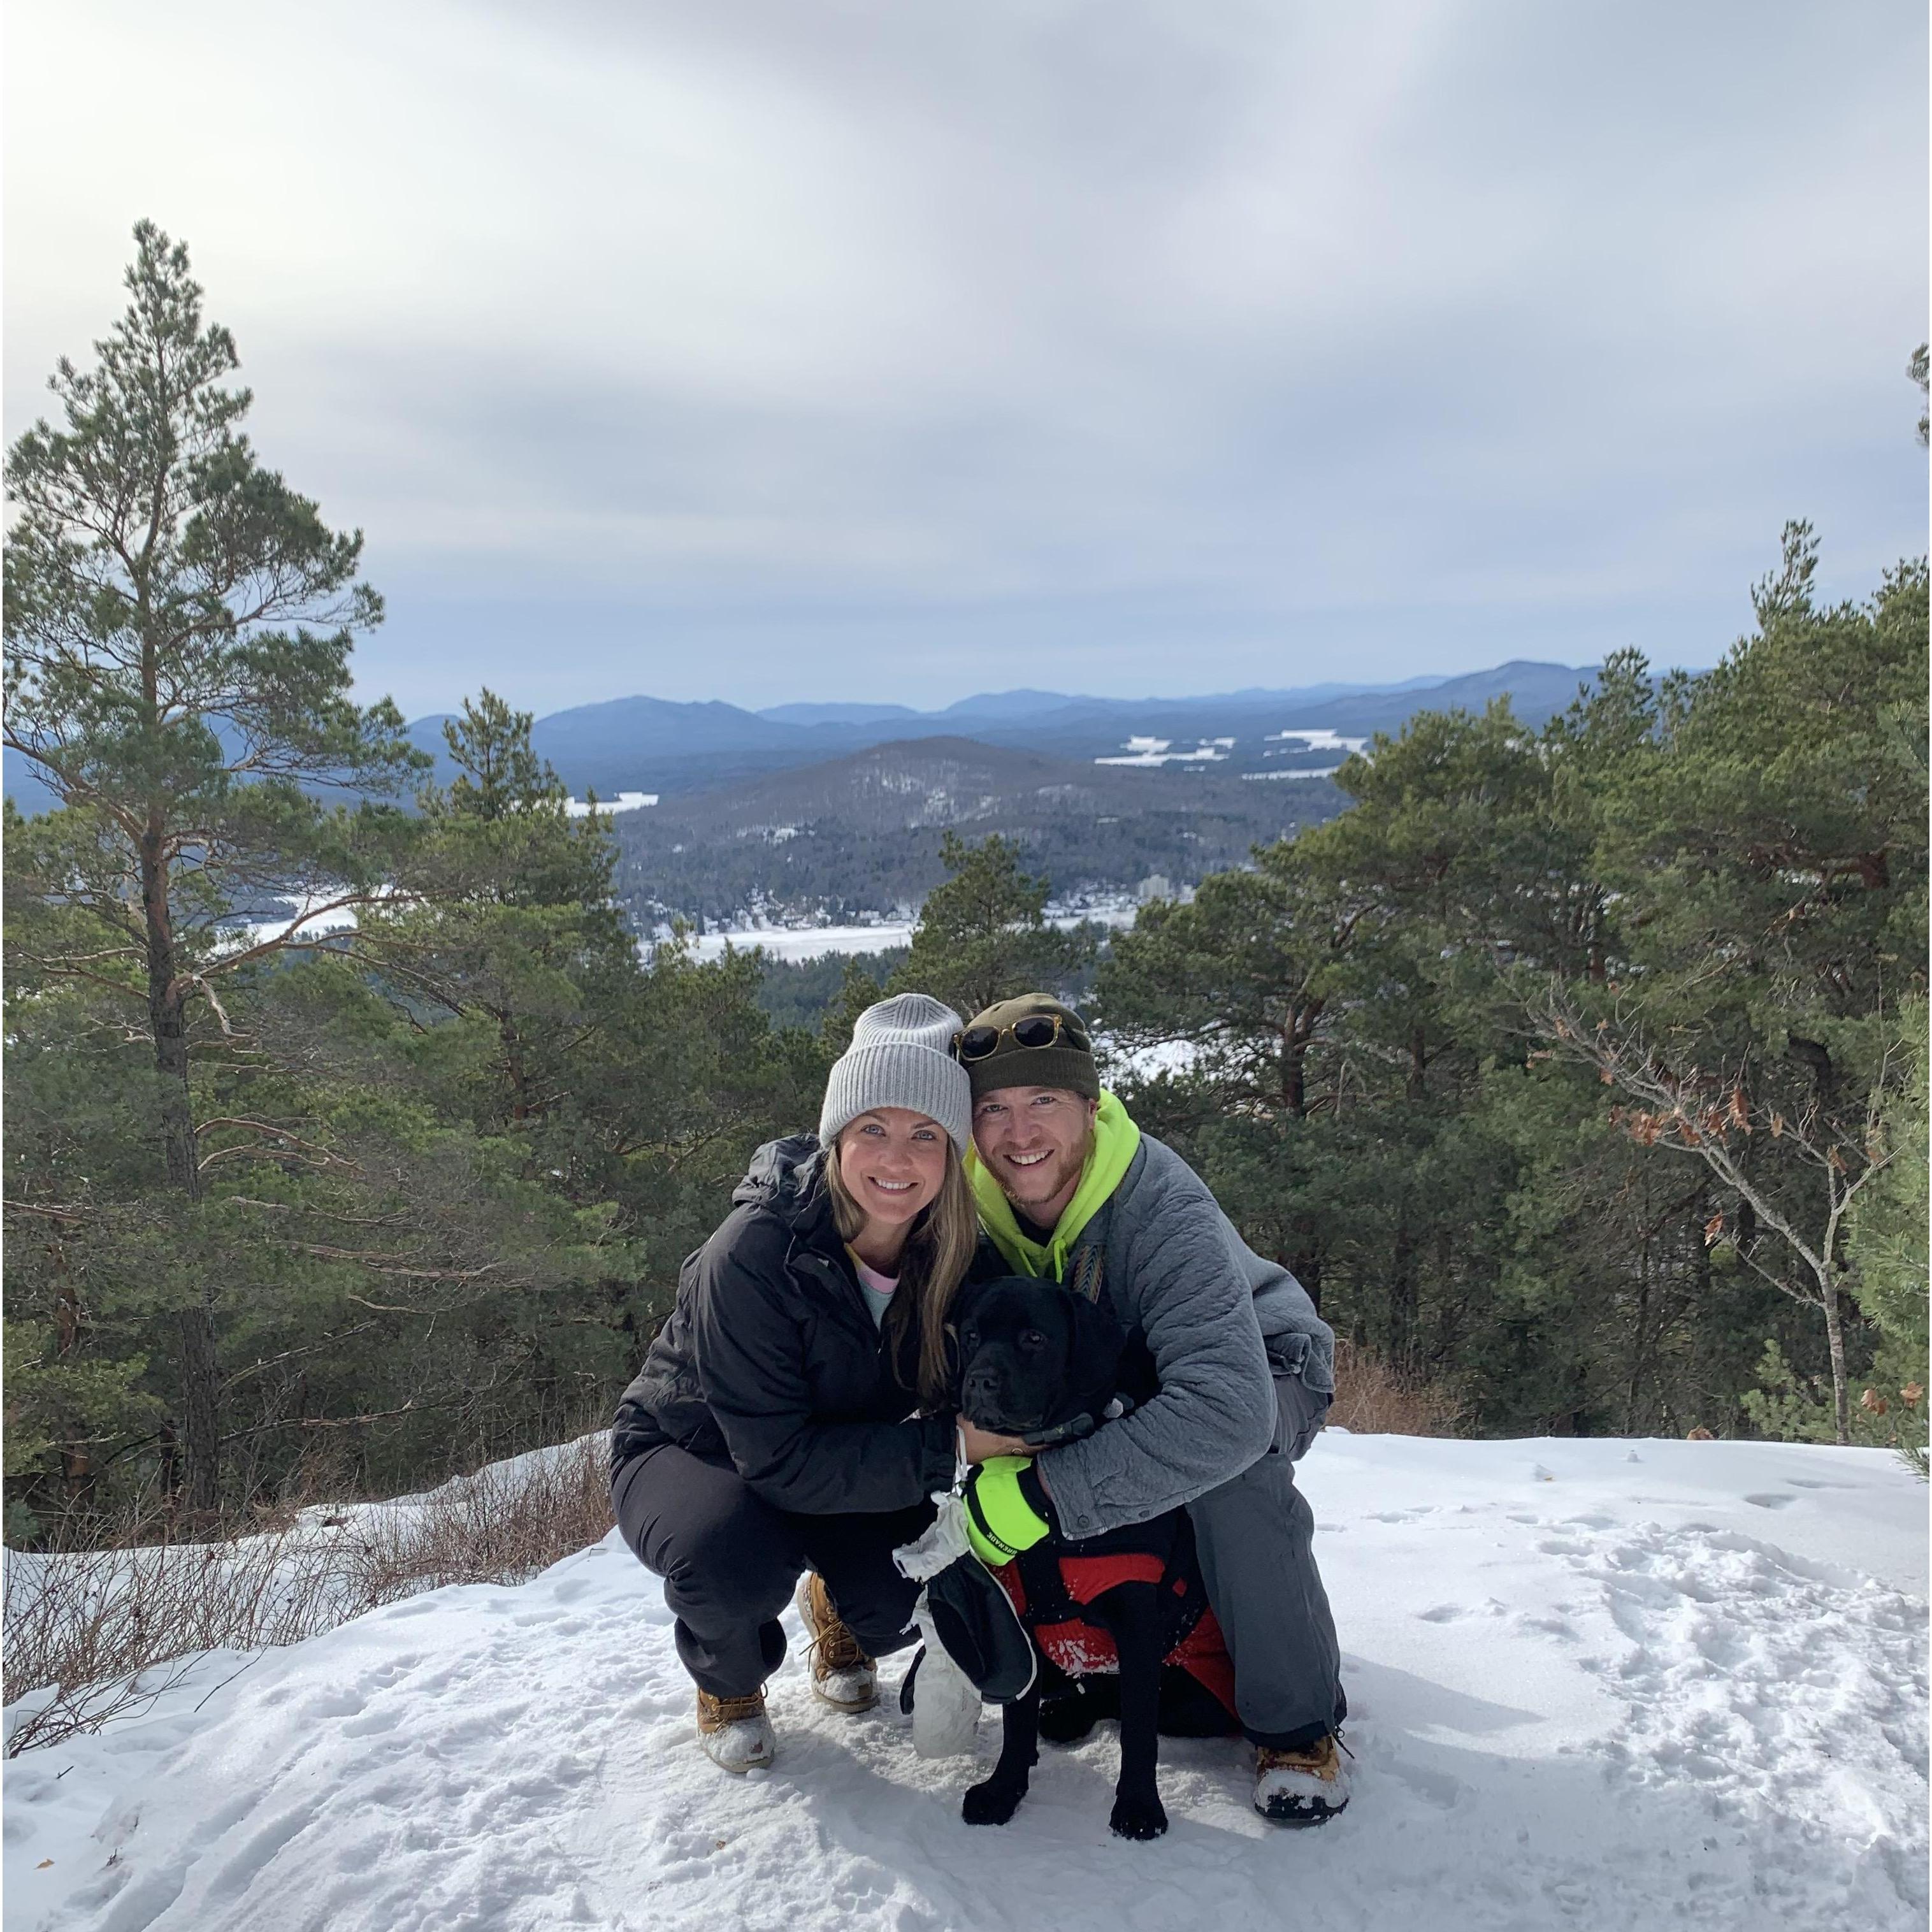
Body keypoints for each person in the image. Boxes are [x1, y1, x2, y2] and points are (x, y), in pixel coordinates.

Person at [951, 993, 1350, 1824]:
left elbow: (1228, 1413)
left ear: (1089, 1108)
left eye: (1044, 1104)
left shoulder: (1158, 1205)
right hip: (1124, 1380)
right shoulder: (976, 1212)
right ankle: (1081, 1666)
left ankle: (1296, 1725)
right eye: (994, 1111)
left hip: (1265, 1370)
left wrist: (1043, 1492)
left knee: (1222, 1474)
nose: (1020, 1135)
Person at [609, 993, 977, 1773]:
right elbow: (774, 1460)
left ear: (952, 1151)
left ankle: (837, 1605)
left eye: (925, 1134)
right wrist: (946, 1448)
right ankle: (729, 1678)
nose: (896, 1158)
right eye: (871, 1127)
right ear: (835, 1135)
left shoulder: (954, 1252)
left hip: (837, 1448)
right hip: (697, 1451)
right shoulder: (752, 1250)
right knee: (727, 1562)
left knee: (906, 1596)